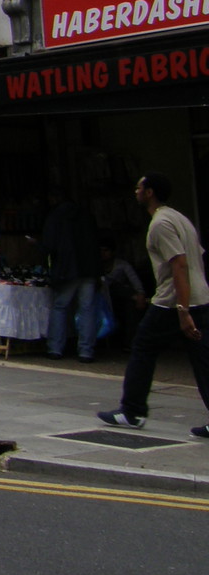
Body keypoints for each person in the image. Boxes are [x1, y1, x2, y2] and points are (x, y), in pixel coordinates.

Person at [97, 172, 209, 436]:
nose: (135, 192)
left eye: (139, 188)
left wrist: (182, 310)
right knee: (203, 359)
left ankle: (132, 411)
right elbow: (199, 258)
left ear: (149, 193)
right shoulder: (180, 218)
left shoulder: (160, 224)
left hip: (173, 301)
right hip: (200, 297)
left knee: (143, 347)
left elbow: (179, 263)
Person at [42, 189, 101, 362]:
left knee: (60, 307)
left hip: (67, 268)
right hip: (88, 267)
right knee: (87, 309)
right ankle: (86, 351)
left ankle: (55, 348)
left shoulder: (55, 217)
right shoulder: (86, 216)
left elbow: (49, 245)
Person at [100, 236, 147, 351]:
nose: (103, 254)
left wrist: (140, 294)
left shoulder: (122, 265)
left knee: (130, 306)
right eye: (100, 250)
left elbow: (134, 280)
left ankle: (130, 342)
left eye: (106, 250)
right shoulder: (96, 266)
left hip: (120, 296)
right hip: (103, 297)